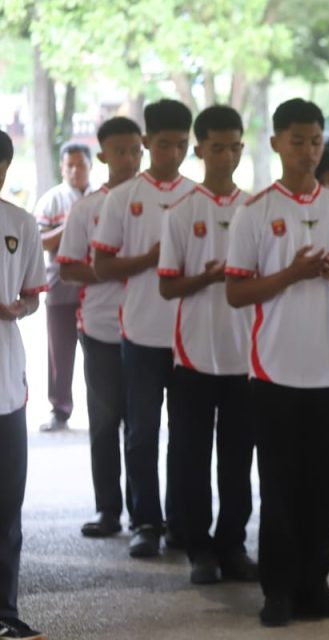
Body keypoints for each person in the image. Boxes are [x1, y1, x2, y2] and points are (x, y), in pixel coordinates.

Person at [225, 98, 329, 626]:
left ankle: (317, 585)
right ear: (276, 143)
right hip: (276, 372)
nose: (308, 152)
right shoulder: (257, 211)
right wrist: (291, 274)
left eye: (315, 141)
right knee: (281, 486)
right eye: (297, 141)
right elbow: (236, 294)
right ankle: (278, 592)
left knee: (324, 486)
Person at [156, 105, 257, 585]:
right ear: (200, 150)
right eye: (218, 147)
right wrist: (210, 277)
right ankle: (199, 549)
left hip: (246, 357)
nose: (228, 156)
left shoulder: (256, 210)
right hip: (193, 355)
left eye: (235, 146)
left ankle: (233, 545)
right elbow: (167, 287)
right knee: (191, 458)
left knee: (238, 460)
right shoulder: (180, 212)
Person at [92, 99, 195, 558]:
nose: (173, 153)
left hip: (191, 337)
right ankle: (145, 521)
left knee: (188, 435)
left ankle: (182, 520)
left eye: (181, 145)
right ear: (148, 142)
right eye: (164, 144)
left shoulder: (198, 197)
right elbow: (102, 264)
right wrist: (151, 259)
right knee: (141, 433)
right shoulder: (123, 197)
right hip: (140, 332)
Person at [56, 118, 143, 539]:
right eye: (119, 151)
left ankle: (148, 516)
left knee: (143, 428)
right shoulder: (86, 208)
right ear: (104, 155)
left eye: (135, 150)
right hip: (102, 329)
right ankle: (109, 509)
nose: (128, 159)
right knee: (106, 424)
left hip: (151, 330)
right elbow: (68, 268)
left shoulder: (163, 204)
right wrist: (111, 271)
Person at [0, 129, 49, 640]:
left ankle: (5, 612)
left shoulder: (19, 222)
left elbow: (33, 294)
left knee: (6, 507)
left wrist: (19, 307)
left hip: (6, 385)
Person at [32, 142, 92, 433]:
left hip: (97, 287)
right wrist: (69, 226)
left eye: (80, 165)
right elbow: (39, 242)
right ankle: (60, 409)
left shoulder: (102, 198)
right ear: (61, 167)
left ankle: (108, 407)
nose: (75, 170)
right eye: (69, 165)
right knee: (60, 351)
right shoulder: (52, 200)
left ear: (90, 166)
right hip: (60, 285)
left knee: (99, 351)